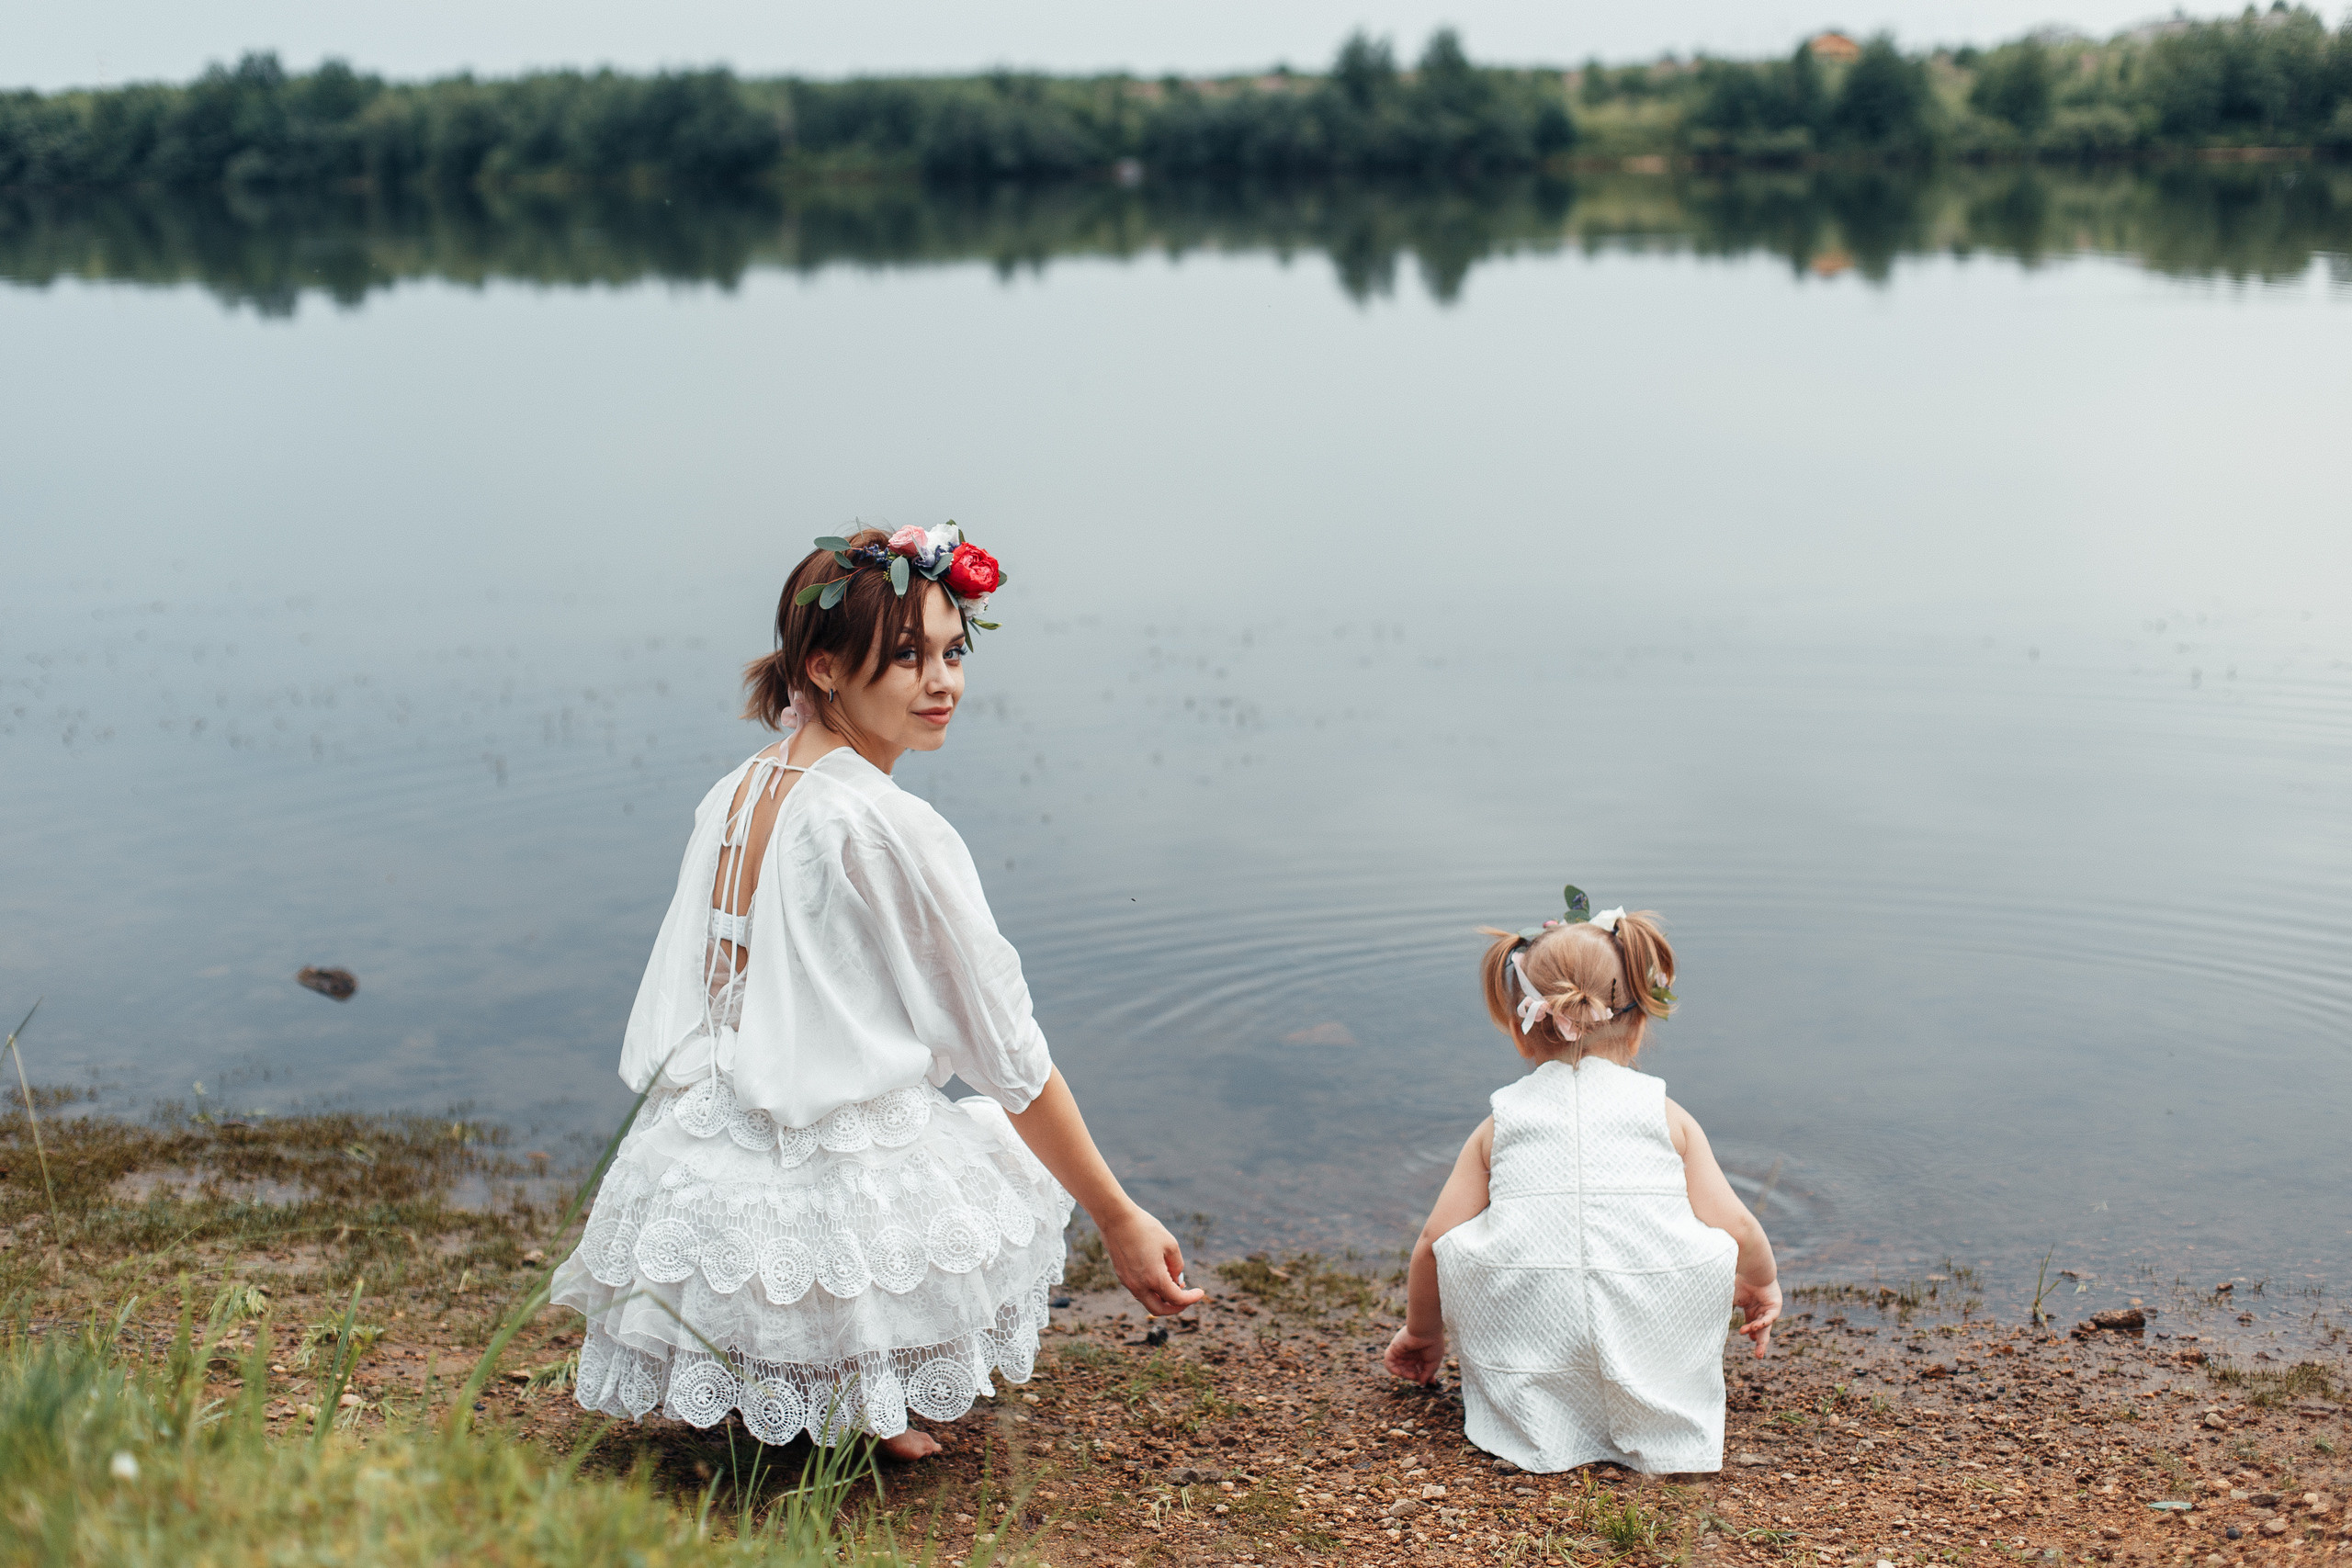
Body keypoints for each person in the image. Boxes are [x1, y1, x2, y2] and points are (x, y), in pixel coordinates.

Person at [551, 523, 1203, 1459]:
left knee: (854, 1136)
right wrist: (1117, 1216)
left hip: (710, 1138)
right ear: (822, 668)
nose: (943, 684)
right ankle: (848, 1400)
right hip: (812, 1155)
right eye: (906, 659)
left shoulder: (739, 789)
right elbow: (1006, 1052)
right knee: (963, 1155)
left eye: (949, 652)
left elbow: (719, 994)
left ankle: (835, 1396)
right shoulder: (886, 823)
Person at [1382, 888, 1780, 1474]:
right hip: (1652, 1355)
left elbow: (1432, 1244)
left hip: (1531, 1377)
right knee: (1702, 1242)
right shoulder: (1664, 1114)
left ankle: (1550, 1408)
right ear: (1639, 1021)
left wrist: (1424, 1333)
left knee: (1465, 1244)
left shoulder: (1502, 1122)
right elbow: (1739, 1225)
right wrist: (1759, 1284)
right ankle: (1648, 1404)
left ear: (1521, 1028)